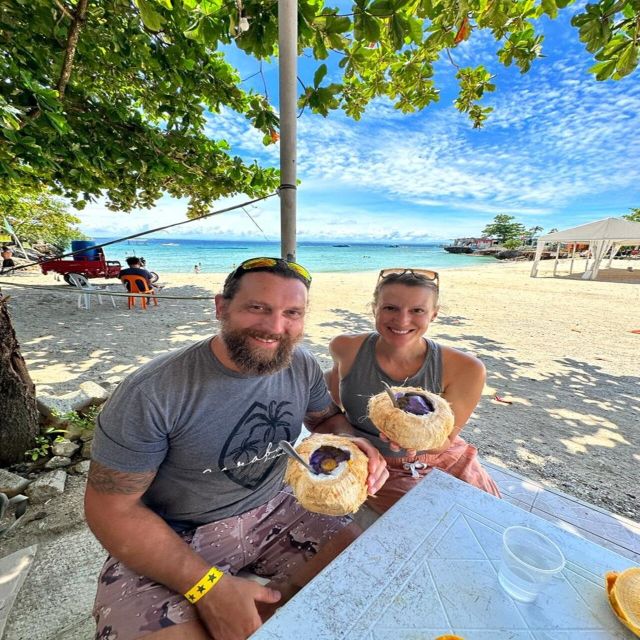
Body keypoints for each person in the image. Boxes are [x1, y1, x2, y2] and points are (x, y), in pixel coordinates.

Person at [85, 256, 388, 640]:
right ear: (221, 307)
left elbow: (326, 421)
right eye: (257, 308)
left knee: (371, 575)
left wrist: (351, 442)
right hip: (174, 534)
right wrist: (206, 588)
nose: (276, 327)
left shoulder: (302, 365)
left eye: (291, 312)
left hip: (276, 509)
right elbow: (111, 510)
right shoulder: (153, 393)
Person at [326, 268, 500, 515]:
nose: (402, 320)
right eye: (390, 308)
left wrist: (415, 439)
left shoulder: (466, 368)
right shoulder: (345, 347)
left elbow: (444, 441)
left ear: (434, 314)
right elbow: (335, 407)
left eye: (417, 310)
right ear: (375, 309)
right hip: (369, 461)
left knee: (484, 522)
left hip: (435, 460)